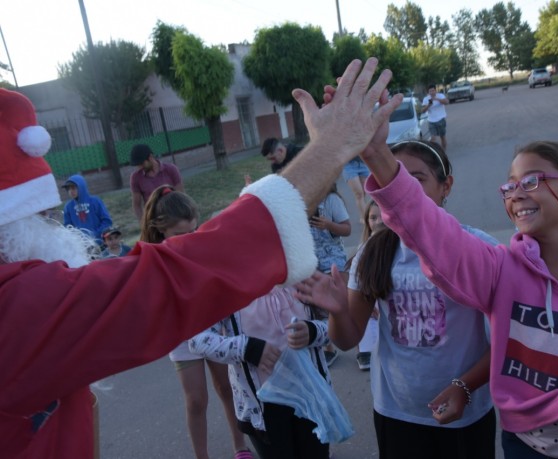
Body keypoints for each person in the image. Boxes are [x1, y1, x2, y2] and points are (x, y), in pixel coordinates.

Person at [0, 58, 403, 458]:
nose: (51, 225)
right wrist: (331, 146)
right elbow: (185, 275)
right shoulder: (18, 308)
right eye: (40, 214)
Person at [302, 107, 558, 456]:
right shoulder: (500, 268)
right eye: (510, 185)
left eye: (532, 181)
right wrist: (374, 153)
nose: (516, 193)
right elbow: (432, 233)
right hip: (521, 445)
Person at [298, 140, 497, 458]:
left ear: (446, 186)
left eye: (414, 181)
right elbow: (348, 338)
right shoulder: (372, 253)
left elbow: (505, 341)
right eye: (393, 181)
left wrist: (465, 386)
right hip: (396, 413)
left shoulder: (477, 248)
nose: (401, 193)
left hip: (465, 412)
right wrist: (337, 311)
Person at [140, 185, 251, 459]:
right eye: (180, 235)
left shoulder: (204, 246)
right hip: (181, 335)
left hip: (214, 327)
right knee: (196, 400)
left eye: (193, 231)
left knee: (228, 388)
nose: (189, 239)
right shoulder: (151, 258)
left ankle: (241, 447)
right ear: (160, 230)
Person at [189, 286, 332, 459]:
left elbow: (337, 324)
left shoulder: (300, 272)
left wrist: (314, 331)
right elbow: (197, 340)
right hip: (264, 407)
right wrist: (247, 348)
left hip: (312, 396)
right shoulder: (226, 285)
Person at [310, 183, 351, 366]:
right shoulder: (297, 202)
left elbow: (347, 229)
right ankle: (328, 348)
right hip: (310, 259)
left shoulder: (331, 200)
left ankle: (362, 347)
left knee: (344, 301)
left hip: (332, 256)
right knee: (317, 307)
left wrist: (328, 224)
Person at [354, 200, 384, 371]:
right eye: (373, 218)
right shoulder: (363, 250)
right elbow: (359, 284)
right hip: (372, 304)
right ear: (367, 222)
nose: (378, 222)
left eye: (382, 216)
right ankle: (365, 349)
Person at [129, 143, 184, 221]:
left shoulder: (171, 169)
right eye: (138, 165)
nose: (140, 167)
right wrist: (143, 224)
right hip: (154, 218)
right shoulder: (136, 177)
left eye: (142, 163)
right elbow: (137, 205)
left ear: (150, 157)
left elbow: (181, 195)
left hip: (174, 213)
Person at [62, 174, 113, 246]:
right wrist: (77, 239)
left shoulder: (95, 201)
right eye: (68, 189)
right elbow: (68, 227)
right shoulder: (68, 206)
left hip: (100, 243)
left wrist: (95, 234)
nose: (71, 191)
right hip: (81, 246)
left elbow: (107, 221)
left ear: (81, 187)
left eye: (73, 188)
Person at [342, 156, 371, 223]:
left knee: (363, 193)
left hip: (363, 163)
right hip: (348, 166)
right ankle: (366, 218)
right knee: (359, 194)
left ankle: (362, 215)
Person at [421, 84, 449, 151]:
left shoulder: (440, 96)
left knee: (442, 137)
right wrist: (429, 105)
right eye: (430, 91)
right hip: (431, 121)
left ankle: (443, 152)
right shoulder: (426, 99)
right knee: (433, 138)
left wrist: (436, 99)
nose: (432, 92)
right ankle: (432, 152)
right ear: (428, 92)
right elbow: (423, 111)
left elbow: (446, 102)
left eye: (433, 91)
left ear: (435, 90)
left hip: (441, 119)